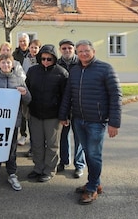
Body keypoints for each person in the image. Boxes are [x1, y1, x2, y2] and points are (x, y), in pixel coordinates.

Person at [59, 40, 122, 205]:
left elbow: (116, 96)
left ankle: (92, 188)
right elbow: (68, 94)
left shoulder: (105, 69)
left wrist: (114, 123)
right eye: (80, 52)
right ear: (77, 54)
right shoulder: (74, 70)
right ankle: (95, 182)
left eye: (86, 51)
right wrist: (63, 115)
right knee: (88, 154)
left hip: (97, 121)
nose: (83, 54)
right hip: (78, 119)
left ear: (93, 51)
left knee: (94, 155)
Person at [0, 54, 31, 191]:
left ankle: (12, 173)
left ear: (13, 65)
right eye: (3, 63)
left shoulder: (19, 79)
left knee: (11, 149)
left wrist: (24, 93)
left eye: (8, 63)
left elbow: (28, 100)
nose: (6, 65)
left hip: (13, 122)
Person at [25, 44, 68, 183]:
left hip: (53, 116)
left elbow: (65, 97)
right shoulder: (32, 71)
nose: (45, 61)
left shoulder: (62, 73)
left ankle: (49, 170)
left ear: (54, 59)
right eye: (43, 58)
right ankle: (38, 168)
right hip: (35, 114)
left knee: (52, 144)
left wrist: (64, 115)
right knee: (36, 143)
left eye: (49, 59)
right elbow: (27, 91)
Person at [56, 39, 86, 178]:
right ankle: (64, 161)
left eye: (69, 48)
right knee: (63, 136)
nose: (67, 50)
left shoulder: (80, 63)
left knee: (79, 137)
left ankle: (79, 165)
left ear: (73, 49)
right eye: (64, 48)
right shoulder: (57, 64)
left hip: (79, 107)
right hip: (63, 106)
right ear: (60, 50)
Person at [18, 39, 41, 146]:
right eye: (31, 47)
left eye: (36, 47)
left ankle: (35, 143)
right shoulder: (26, 59)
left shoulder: (42, 59)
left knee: (36, 121)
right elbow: (23, 73)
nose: (33, 49)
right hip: (27, 90)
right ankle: (25, 136)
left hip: (39, 92)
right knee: (26, 116)